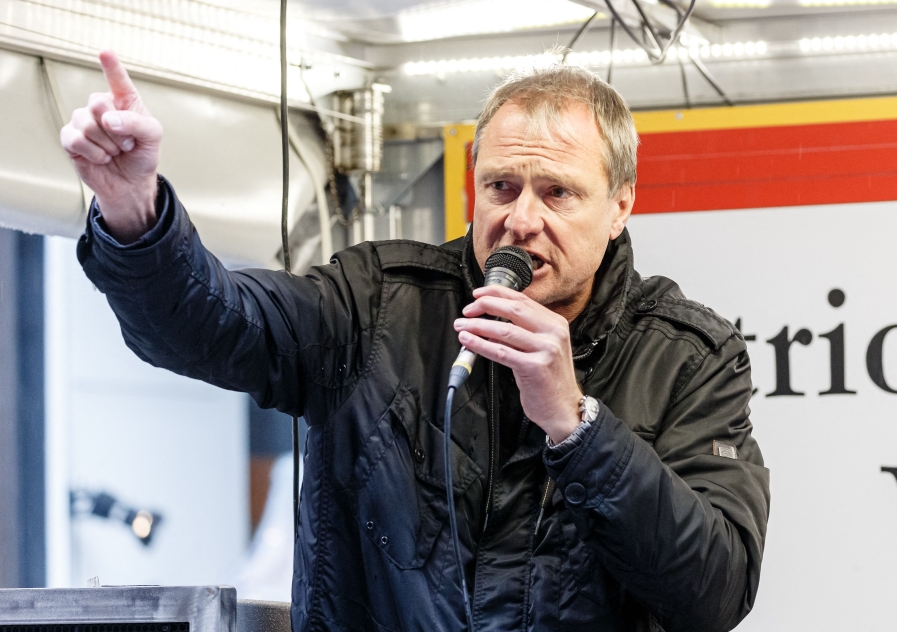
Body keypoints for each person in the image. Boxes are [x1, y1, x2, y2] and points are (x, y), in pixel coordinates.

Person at [62, 49, 769, 631]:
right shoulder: (376, 303)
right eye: (500, 187)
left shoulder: (689, 358)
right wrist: (135, 214)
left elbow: (713, 591)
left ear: (621, 204)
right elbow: (212, 326)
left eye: (557, 192)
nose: (521, 219)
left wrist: (577, 427)